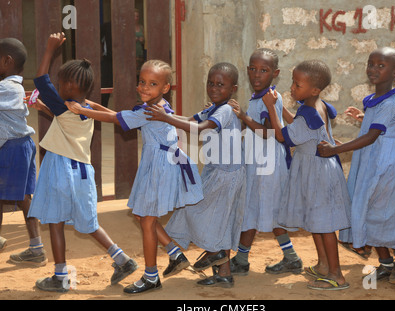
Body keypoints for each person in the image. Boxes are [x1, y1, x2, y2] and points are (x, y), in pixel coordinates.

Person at [66, 59, 203, 294]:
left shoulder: (150, 110)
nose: (144, 88)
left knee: (147, 220)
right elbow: (122, 116)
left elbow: (115, 119)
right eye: (142, 82)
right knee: (142, 216)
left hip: (161, 167)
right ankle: (175, 254)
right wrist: (94, 106)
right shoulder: (153, 106)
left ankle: (151, 277)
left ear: (165, 88)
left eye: (152, 84)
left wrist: (82, 110)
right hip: (161, 164)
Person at [28, 32, 137, 293]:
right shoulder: (84, 108)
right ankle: (122, 258)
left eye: (64, 82)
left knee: (54, 221)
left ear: (71, 87)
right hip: (83, 173)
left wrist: (49, 49)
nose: (60, 85)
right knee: (89, 223)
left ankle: (60, 276)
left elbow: (41, 79)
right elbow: (101, 115)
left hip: (60, 169)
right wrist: (45, 108)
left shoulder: (64, 105)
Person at [317, 47, 395, 284]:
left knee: (385, 212)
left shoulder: (390, 102)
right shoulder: (373, 101)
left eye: (381, 66)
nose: (373, 69)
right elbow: (370, 131)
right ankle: (385, 263)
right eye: (370, 64)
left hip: (384, 164)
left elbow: (373, 137)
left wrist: (336, 150)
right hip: (368, 161)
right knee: (366, 209)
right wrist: (353, 132)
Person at [147, 62, 246, 288]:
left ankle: (215, 252)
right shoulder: (213, 107)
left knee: (196, 210)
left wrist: (165, 118)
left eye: (221, 85)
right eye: (211, 83)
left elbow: (200, 129)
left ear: (233, 89)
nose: (214, 88)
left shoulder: (225, 110)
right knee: (217, 220)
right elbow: (191, 121)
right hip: (216, 171)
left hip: (227, 174)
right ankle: (224, 272)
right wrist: (168, 115)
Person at [263, 60, 351, 290]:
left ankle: (337, 275)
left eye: (297, 84)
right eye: (293, 82)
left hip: (317, 172)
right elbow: (296, 125)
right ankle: (323, 266)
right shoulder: (313, 106)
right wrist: (281, 107)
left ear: (314, 90)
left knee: (325, 224)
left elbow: (284, 136)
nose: (292, 88)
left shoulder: (309, 113)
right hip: (316, 169)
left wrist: (271, 108)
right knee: (317, 221)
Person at [228, 48, 302, 276]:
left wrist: (242, 116)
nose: (256, 75)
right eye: (253, 69)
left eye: (264, 70)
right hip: (257, 163)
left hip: (269, 166)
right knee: (251, 207)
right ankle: (241, 259)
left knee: (271, 211)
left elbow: (269, 133)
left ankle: (291, 258)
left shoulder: (270, 98)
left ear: (275, 73)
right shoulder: (260, 97)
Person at [0, 38, 46, 265]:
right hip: (21, 145)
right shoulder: (13, 86)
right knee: (26, 199)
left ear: (7, 61)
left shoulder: (7, 88)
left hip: (12, 147)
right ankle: (36, 248)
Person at [135, 9, 145, 80]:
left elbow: (145, 41)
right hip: (132, 54)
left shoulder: (141, 27)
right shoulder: (128, 27)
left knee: (140, 74)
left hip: (140, 53)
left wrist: (142, 40)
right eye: (134, 16)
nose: (136, 18)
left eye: (137, 16)